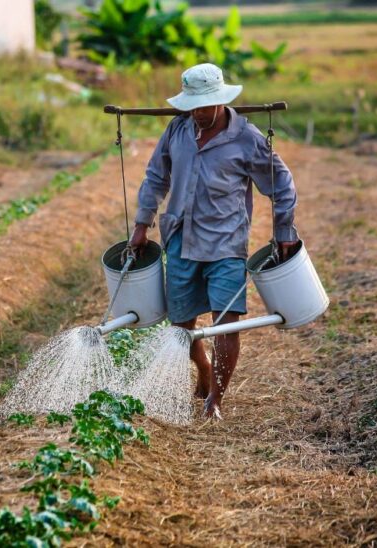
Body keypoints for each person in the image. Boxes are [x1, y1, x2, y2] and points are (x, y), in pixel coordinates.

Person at [129, 63, 300, 420]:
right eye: (193, 106)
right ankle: (203, 369)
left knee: (227, 322)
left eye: (206, 106)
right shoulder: (177, 130)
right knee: (182, 326)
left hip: (226, 244)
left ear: (222, 101)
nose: (199, 113)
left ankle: (215, 401)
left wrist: (284, 231)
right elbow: (155, 177)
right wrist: (141, 224)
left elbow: (281, 185)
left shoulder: (247, 139)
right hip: (180, 239)